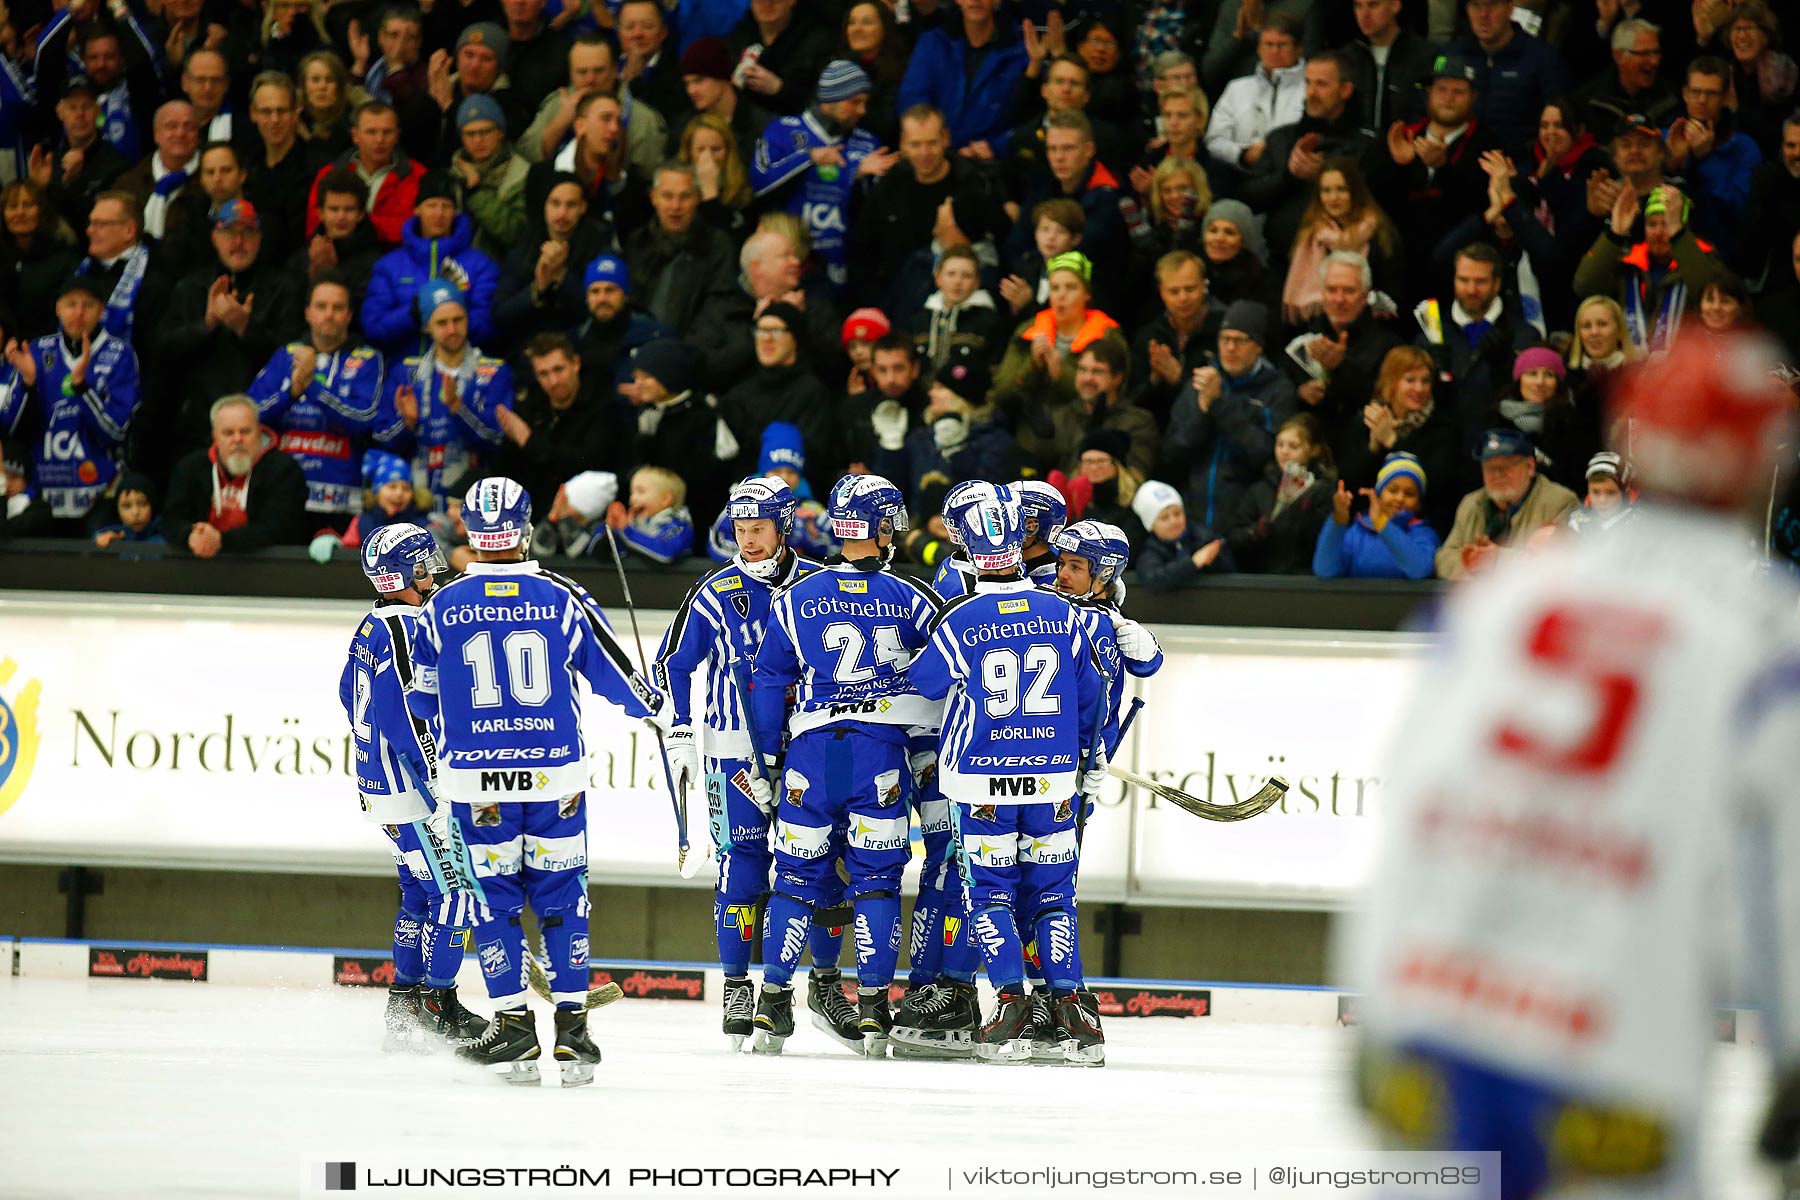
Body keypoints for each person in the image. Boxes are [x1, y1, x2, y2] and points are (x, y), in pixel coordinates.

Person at [1340, 331, 1800, 1198]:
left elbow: (1410, 797)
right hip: (1613, 1057)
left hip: (1435, 1030)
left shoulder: (1512, 592)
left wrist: (1378, 998)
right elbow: (1788, 884)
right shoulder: (1768, 631)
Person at [405, 477, 665, 1084]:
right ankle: (573, 1029)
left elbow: (421, 700)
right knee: (562, 898)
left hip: (477, 784)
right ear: (524, 528)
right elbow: (624, 682)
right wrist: (656, 710)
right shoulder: (564, 597)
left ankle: (515, 1028)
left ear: (470, 531)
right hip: (557, 780)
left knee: (493, 904)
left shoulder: (439, 607)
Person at [652, 475, 859, 1052]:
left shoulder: (823, 583)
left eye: (759, 529)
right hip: (733, 753)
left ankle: (824, 983)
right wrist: (684, 730)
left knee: (825, 865)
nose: (749, 541)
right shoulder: (713, 592)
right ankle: (738, 987)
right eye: (740, 530)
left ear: (784, 527)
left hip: (809, 746)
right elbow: (674, 665)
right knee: (741, 868)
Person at [908, 487, 1105, 1063]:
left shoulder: (961, 618)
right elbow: (1091, 699)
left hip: (979, 783)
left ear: (965, 544)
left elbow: (923, 682)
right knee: (1052, 897)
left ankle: (1013, 1005)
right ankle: (1073, 1014)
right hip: (1052, 781)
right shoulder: (1066, 614)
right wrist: (1089, 762)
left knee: (990, 895)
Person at [746, 474, 941, 1056]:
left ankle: (771, 1007)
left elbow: (769, 682)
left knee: (795, 882)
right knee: (878, 884)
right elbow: (942, 678)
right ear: (880, 526)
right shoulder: (914, 597)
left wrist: (769, 757)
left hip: (809, 751)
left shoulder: (794, 597)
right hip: (877, 755)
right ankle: (876, 1011)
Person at [340, 523, 488, 1052]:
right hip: (411, 788)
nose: (433, 574)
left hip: (379, 784)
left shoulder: (372, 622)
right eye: (425, 566)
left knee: (419, 892)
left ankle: (404, 1001)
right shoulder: (406, 625)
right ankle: (437, 1001)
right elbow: (410, 716)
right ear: (410, 571)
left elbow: (346, 693)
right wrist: (440, 782)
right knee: (458, 893)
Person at [0, 275, 140, 531]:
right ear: (57, 308)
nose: (78, 312)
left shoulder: (119, 354)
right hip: (43, 491)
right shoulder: (37, 351)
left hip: (100, 492)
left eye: (88, 305)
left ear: (101, 309)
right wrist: (27, 384)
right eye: (71, 304)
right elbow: (10, 429)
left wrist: (82, 389)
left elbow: (116, 431)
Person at [247, 274, 385, 529]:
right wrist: (289, 394)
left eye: (338, 307)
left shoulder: (367, 358)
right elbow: (250, 416)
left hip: (340, 500)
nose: (329, 314)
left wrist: (311, 388)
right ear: (308, 312)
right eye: (321, 306)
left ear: (349, 315)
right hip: (282, 494)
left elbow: (365, 419)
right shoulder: (285, 355)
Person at [751, 61, 895, 292]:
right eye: (854, 102)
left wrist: (864, 178)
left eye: (865, 103)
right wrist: (808, 158)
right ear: (830, 100)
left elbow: (878, 214)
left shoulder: (867, 142)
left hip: (843, 267)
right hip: (788, 261)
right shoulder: (783, 130)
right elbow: (759, 182)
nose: (862, 110)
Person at [374, 280, 512, 511]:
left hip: (473, 501)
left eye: (458, 320)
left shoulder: (494, 370)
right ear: (426, 326)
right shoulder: (407, 372)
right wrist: (408, 423)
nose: (451, 330)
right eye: (442, 322)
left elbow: (496, 440)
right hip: (416, 502)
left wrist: (459, 409)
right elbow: (382, 438)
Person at [1165, 299, 1297, 533]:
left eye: (1240, 340)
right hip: (1192, 523)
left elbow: (1263, 454)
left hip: (1246, 524)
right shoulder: (1199, 385)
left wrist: (1220, 403)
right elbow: (1174, 453)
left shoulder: (1278, 391)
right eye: (1225, 339)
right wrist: (1202, 411)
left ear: (1258, 346)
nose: (1230, 348)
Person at [1572, 182, 1726, 355]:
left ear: (1682, 227)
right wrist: (1615, 233)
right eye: (1652, 225)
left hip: (1684, 368)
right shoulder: (1628, 264)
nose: (1659, 232)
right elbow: (1585, 285)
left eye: (1667, 224)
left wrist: (1679, 237)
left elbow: (1708, 290)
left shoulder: (1703, 259)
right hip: (1631, 366)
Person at [362, 172, 500, 363]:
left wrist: (451, 315)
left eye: (446, 206)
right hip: (404, 374)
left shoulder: (480, 265)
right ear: (417, 210)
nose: (439, 214)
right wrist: (412, 314)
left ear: (455, 212)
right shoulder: (389, 266)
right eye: (431, 206)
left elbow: (489, 327)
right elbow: (373, 328)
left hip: (463, 371)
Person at [162, 394, 310, 557]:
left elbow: (282, 529)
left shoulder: (284, 470)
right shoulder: (190, 467)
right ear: (215, 437)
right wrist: (190, 536)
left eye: (245, 431)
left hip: (265, 570)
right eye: (228, 433)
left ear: (259, 432)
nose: (238, 439)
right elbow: (170, 520)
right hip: (199, 566)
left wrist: (221, 540)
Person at [1340, 345, 1462, 535]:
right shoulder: (1368, 421)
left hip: (1421, 529)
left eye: (1425, 381)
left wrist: (1392, 441)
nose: (1419, 388)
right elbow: (1349, 483)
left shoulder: (1442, 427)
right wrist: (1373, 447)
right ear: (1391, 381)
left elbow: (1436, 485)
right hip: (1367, 527)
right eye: (1410, 380)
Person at [1434, 427, 1579, 580]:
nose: (1497, 475)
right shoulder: (1471, 503)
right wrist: (1472, 563)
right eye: (1490, 468)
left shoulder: (1560, 501)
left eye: (1506, 467)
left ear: (1530, 466)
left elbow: (1561, 562)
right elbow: (1444, 558)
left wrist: (1498, 560)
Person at [894, 0, 1030, 158]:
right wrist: (931, 142)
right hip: (933, 157)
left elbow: (1025, 118)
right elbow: (912, 100)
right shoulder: (934, 42)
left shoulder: (1021, 50)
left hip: (991, 163)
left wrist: (995, 147)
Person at [623, 162, 741, 339]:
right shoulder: (637, 243)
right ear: (654, 198)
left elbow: (719, 307)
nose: (675, 206)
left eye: (685, 197)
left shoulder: (717, 244)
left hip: (694, 350)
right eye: (667, 196)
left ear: (698, 198)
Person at [1282, 159, 1400, 325]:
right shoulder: (1310, 234)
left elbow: (1392, 291)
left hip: (1370, 325)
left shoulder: (1379, 233)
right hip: (1317, 326)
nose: (1333, 198)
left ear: (1355, 191)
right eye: (1326, 191)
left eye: (1341, 189)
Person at [1226, 412, 1338, 575]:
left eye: (1293, 446)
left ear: (1314, 450)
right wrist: (1254, 532)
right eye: (1280, 445)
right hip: (1265, 579)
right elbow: (1234, 539)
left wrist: (1305, 514)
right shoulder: (1260, 490)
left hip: (1308, 579)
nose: (1284, 452)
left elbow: (1326, 542)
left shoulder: (1323, 491)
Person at [305, 102, 427, 249]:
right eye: (371, 132)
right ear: (355, 135)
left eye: (387, 132)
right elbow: (314, 226)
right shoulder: (329, 174)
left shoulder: (418, 175)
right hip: (338, 258)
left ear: (397, 136)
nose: (380, 140)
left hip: (396, 259)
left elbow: (416, 228)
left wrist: (354, 224)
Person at [1203, 15, 1305, 190]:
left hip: (1296, 184)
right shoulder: (1237, 88)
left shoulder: (1311, 86)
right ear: (1259, 49)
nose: (1274, 51)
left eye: (1282, 45)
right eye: (1268, 44)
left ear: (1298, 49)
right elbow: (1214, 141)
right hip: (1241, 182)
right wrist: (1243, 154)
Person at [1481, 345, 1599, 493]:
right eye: (1532, 373)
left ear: (1558, 383)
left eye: (1549, 375)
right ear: (1519, 380)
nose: (1539, 382)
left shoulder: (1573, 421)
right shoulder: (1497, 421)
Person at [1312, 451, 1440, 579]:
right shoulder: (1358, 532)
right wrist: (1338, 521)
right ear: (1379, 495)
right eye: (1393, 490)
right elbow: (1324, 569)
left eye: (1410, 494)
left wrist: (1382, 523)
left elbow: (1420, 570)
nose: (1400, 498)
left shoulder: (1424, 534)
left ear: (1418, 503)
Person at [1133, 480, 1234, 590]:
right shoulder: (1150, 549)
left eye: (1177, 513)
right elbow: (1151, 578)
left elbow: (1232, 568)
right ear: (1151, 525)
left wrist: (1214, 560)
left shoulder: (1202, 536)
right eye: (1164, 518)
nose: (1173, 521)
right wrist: (1193, 563)